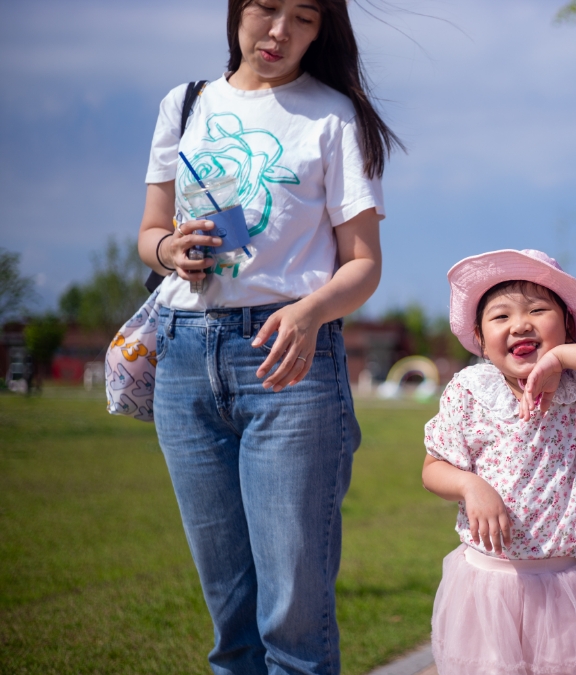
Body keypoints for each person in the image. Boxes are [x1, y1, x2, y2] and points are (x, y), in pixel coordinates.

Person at [136, 1, 401, 673]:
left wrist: (310, 311)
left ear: (322, 31)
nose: (280, 31)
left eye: (305, 17)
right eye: (267, 9)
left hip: (290, 361)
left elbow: (364, 263)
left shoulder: (332, 115)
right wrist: (172, 249)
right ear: (237, 10)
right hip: (186, 354)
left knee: (293, 623)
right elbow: (149, 231)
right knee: (231, 620)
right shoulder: (185, 103)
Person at [422, 249, 576, 675]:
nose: (521, 324)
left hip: (572, 587)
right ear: (478, 336)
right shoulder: (470, 391)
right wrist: (471, 486)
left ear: (566, 324)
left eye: (538, 309)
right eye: (500, 317)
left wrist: (562, 358)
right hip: (490, 585)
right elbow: (433, 467)